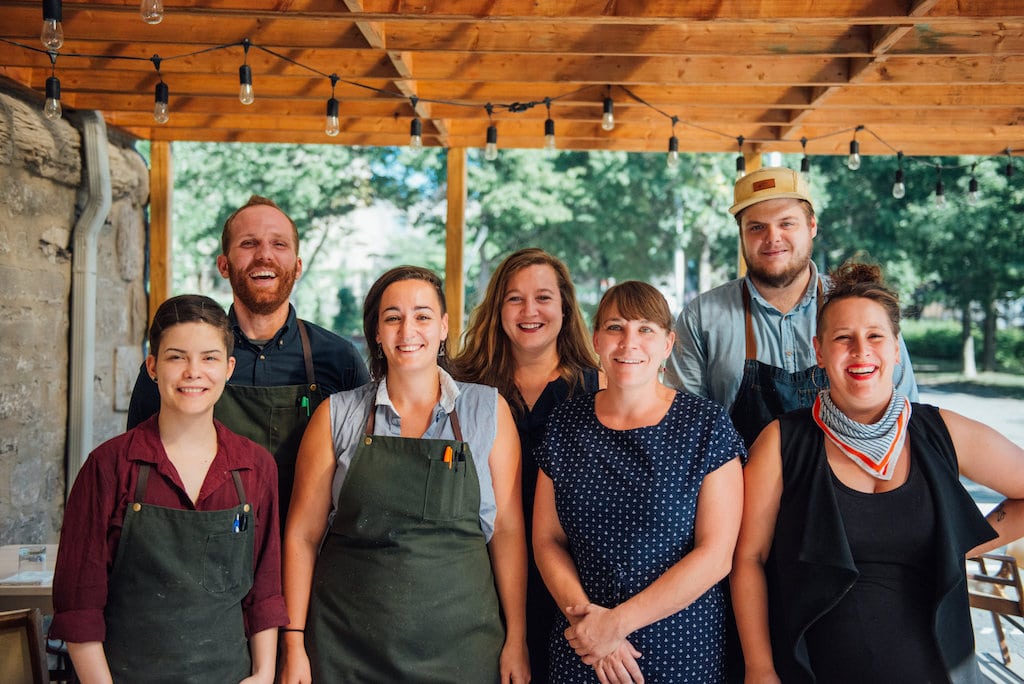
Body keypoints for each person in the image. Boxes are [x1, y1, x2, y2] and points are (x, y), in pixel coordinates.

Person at [731, 263, 1024, 684]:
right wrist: (759, 668)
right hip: (813, 671)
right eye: (843, 339)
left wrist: (959, 542)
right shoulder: (780, 443)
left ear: (894, 347)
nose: (861, 352)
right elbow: (749, 560)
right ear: (819, 350)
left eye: (874, 337)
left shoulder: (943, 432)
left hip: (939, 671)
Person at [280, 266, 530, 683]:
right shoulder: (336, 415)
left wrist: (517, 638)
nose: (407, 330)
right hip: (346, 650)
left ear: (445, 327)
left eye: (422, 316)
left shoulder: (488, 411)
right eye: (392, 317)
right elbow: (301, 536)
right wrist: (293, 641)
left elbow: (507, 531)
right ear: (376, 332)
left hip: (464, 651)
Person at [50, 294, 287, 684]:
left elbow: (264, 590)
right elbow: (79, 604)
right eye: (177, 357)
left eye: (209, 358)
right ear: (153, 367)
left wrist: (262, 675)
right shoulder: (108, 466)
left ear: (229, 368)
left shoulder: (255, 467)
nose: (194, 372)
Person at [533, 281, 746, 683]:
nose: (629, 342)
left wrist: (614, 626)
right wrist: (590, 628)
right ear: (596, 339)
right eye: (615, 327)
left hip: (680, 649)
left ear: (668, 343)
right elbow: (547, 540)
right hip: (581, 645)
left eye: (645, 329)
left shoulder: (707, 426)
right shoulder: (565, 423)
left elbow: (716, 555)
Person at [127, 195, 369, 525]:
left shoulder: (339, 359)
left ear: (297, 266)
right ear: (224, 265)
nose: (264, 255)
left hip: (303, 551)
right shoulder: (181, 363)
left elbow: (358, 475)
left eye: (279, 244)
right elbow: (137, 462)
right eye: (249, 243)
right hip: (200, 545)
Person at [665, 166, 918, 448]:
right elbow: (685, 431)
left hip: (849, 487)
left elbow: (905, 415)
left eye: (786, 223)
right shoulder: (702, 317)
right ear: (742, 235)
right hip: (743, 488)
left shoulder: (859, 307)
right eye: (757, 227)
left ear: (812, 226)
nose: (772, 238)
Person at [449, 247, 602, 682]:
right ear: (497, 310)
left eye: (543, 297)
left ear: (565, 307)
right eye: (515, 298)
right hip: (481, 578)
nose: (529, 310)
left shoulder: (598, 388)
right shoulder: (463, 388)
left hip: (574, 580)